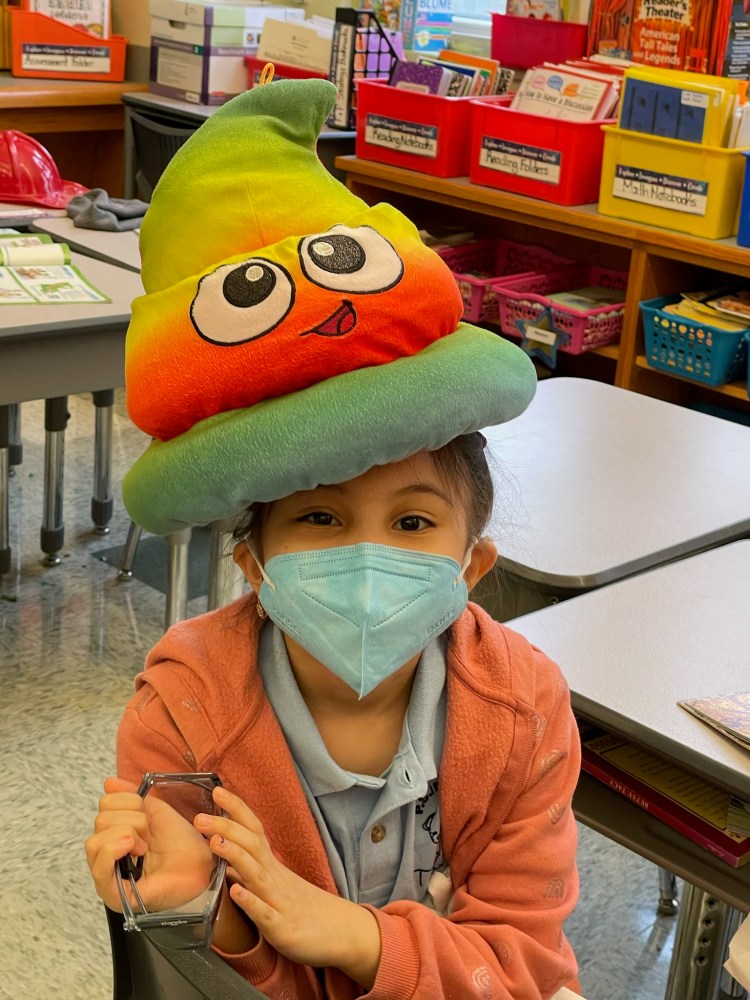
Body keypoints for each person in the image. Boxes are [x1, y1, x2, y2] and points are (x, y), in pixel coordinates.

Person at [85, 74, 581, 999]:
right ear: (253, 561)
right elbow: (192, 977)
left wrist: (352, 936)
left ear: (472, 565)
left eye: (414, 521)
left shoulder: (522, 713)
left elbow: (525, 968)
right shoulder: (185, 713)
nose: (369, 552)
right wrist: (203, 912)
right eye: (319, 517)